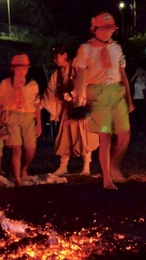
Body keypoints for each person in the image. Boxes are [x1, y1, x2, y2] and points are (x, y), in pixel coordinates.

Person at [72, 12, 134, 190]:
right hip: (97, 94)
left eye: (111, 29)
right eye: (105, 29)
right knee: (105, 136)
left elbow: (122, 73)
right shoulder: (86, 49)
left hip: (116, 92)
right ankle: (107, 178)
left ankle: (113, 166)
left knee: (124, 133)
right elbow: (80, 74)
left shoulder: (117, 48)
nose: (108, 33)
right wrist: (77, 99)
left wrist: (129, 98)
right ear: (95, 29)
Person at [41, 44, 99, 177]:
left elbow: (84, 82)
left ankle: (86, 167)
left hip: (81, 108)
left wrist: (73, 94)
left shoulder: (78, 67)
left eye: (57, 57)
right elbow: (51, 90)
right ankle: (63, 166)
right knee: (65, 137)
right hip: (68, 110)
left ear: (65, 55)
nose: (55, 60)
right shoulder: (58, 73)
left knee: (84, 136)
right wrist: (41, 104)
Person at [0, 53, 42, 186]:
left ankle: (24, 168)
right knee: (17, 148)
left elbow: (37, 104)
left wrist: (39, 123)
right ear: (13, 68)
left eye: (24, 67)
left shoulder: (33, 84)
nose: (21, 70)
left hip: (28, 116)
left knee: (31, 149)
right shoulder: (5, 84)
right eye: (18, 67)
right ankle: (17, 179)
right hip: (12, 116)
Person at [130, 67, 146, 135]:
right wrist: (136, 74)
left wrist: (144, 76)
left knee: (145, 115)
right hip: (137, 99)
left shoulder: (143, 79)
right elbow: (130, 81)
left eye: (140, 71)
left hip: (143, 99)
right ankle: (140, 131)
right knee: (138, 116)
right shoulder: (135, 79)